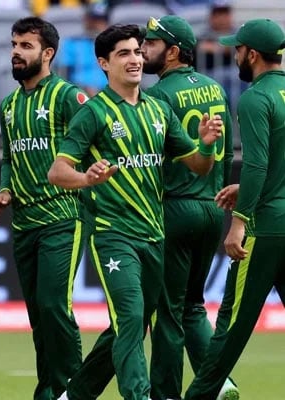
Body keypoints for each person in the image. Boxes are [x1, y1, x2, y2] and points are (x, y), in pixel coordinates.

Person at [47, 24, 222, 400]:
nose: (135, 59)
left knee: (134, 323)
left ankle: (75, 394)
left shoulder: (159, 110)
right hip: (113, 235)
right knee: (129, 320)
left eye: (138, 52)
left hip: (154, 234)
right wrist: (87, 179)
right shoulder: (93, 113)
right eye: (124, 54)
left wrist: (205, 146)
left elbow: (197, 166)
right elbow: (58, 172)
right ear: (103, 64)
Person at [0, 16, 87, 400]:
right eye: (14, 44)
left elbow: (94, 144)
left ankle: (72, 389)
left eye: (26, 46)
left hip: (63, 215)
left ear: (48, 53)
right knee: (38, 314)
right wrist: (5, 189)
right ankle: (48, 388)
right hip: (24, 221)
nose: (16, 52)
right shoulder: (9, 105)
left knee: (53, 304)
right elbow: (9, 157)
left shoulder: (68, 96)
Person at [184, 18, 285, 400]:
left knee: (229, 327)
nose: (234, 55)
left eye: (238, 50)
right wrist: (249, 188)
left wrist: (239, 221)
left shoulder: (256, 98)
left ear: (253, 55)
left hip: (265, 228)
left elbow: (258, 164)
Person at [140, 15, 239, 400]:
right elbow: (226, 150)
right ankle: (220, 382)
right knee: (194, 306)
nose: (144, 50)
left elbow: (151, 158)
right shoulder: (215, 88)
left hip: (174, 207)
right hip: (212, 208)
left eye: (151, 44)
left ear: (174, 51)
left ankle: (165, 395)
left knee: (167, 312)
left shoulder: (159, 96)